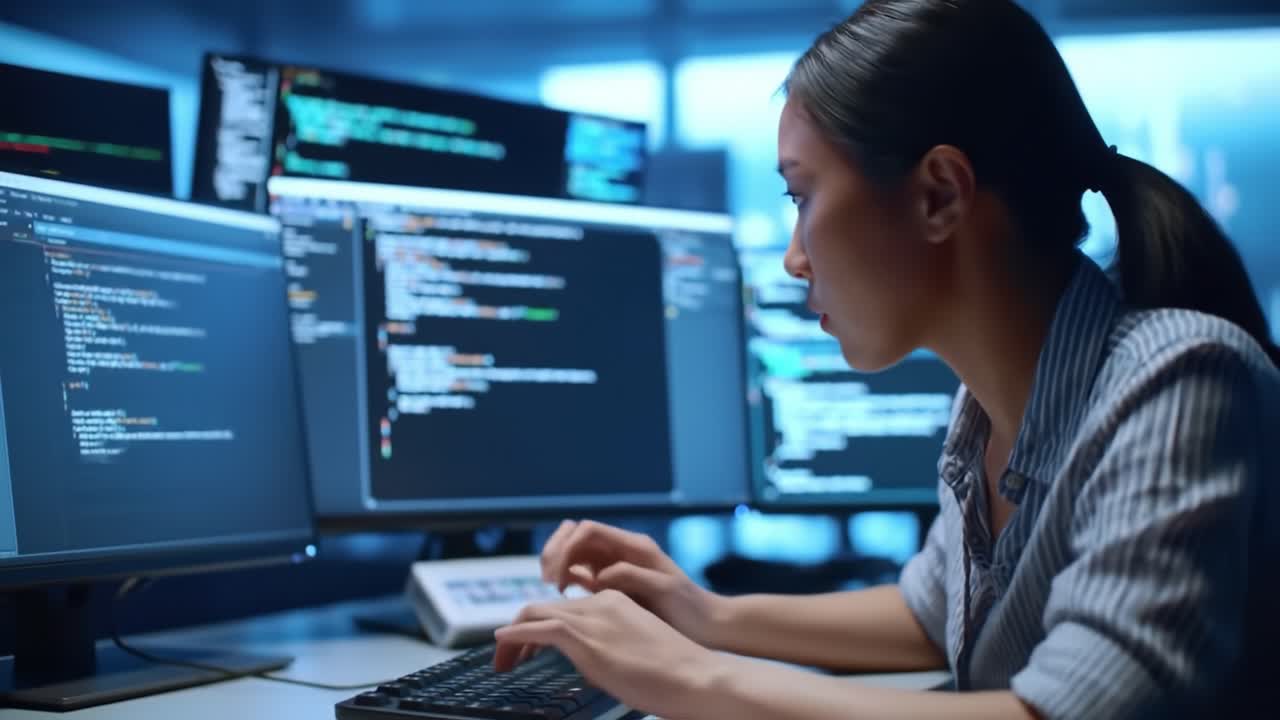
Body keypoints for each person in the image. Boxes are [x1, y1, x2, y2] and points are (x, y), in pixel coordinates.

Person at [492, 1, 1280, 718]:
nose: (796, 258)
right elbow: (932, 611)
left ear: (939, 194)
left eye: (802, 197)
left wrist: (687, 677)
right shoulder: (987, 407)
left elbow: (1072, 713)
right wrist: (705, 615)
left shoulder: (1178, 380)